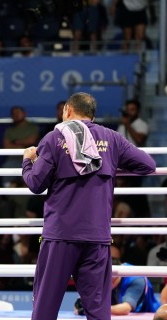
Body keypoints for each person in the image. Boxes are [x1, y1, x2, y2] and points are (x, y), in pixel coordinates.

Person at [22, 92, 156, 320]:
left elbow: (35, 183)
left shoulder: (54, 138)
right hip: (97, 238)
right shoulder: (112, 139)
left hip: (60, 236)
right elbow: (149, 165)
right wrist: (113, 162)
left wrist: (28, 160)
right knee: (98, 312)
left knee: (45, 309)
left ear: (68, 111)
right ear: (92, 116)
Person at [75, 245, 160, 315]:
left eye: (110, 279)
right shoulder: (98, 275)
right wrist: (81, 307)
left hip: (148, 315)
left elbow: (125, 309)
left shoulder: (136, 278)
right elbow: (78, 305)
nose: (106, 283)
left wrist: (91, 309)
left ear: (116, 275)